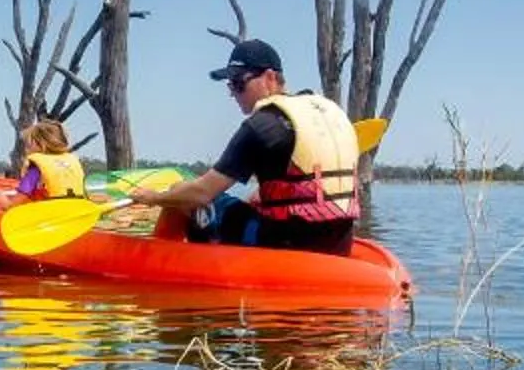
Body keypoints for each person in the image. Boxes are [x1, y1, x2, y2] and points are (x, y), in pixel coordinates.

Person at [126, 38, 360, 253]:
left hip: (287, 245)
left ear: (270, 78)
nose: (234, 94)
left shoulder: (261, 126)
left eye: (239, 83)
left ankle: (157, 256)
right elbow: (298, 187)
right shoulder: (324, 114)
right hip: (339, 243)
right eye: (231, 86)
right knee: (234, 205)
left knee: (181, 193)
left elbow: (202, 193)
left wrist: (155, 197)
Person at [15, 118, 85, 200]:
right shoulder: (71, 161)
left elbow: (11, 204)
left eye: (28, 144)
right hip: (76, 208)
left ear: (39, 144)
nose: (26, 149)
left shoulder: (36, 168)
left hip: (52, 210)